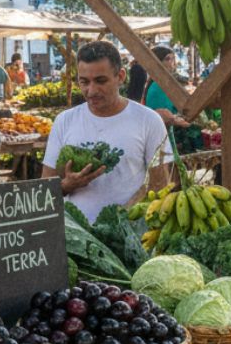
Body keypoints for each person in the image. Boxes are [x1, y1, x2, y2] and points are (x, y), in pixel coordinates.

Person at [42, 40, 172, 221]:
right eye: (84, 82)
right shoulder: (64, 121)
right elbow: (45, 187)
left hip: (132, 235)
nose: (91, 90)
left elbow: (161, 184)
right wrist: (66, 185)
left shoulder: (148, 120)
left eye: (100, 81)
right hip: (78, 236)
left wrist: (122, 219)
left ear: (120, 76)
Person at [143, 45, 193, 131]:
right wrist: (175, 119)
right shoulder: (158, 86)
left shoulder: (164, 83)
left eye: (173, 59)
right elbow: (161, 117)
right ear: (157, 62)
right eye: (167, 59)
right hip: (160, 133)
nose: (172, 62)